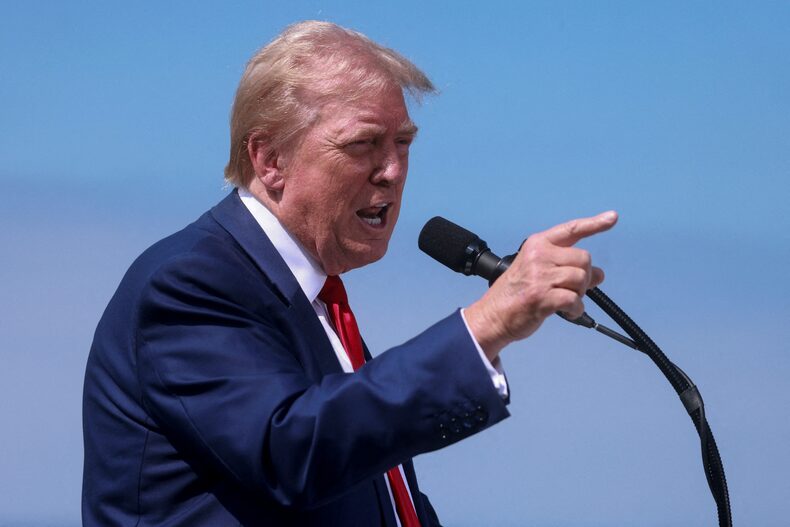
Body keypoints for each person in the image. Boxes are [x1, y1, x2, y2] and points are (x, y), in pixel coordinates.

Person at [82, 20, 617, 526]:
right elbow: (290, 452)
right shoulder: (191, 282)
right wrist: (488, 324)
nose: (391, 171)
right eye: (363, 144)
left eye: (403, 143)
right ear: (270, 160)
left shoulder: (316, 304)